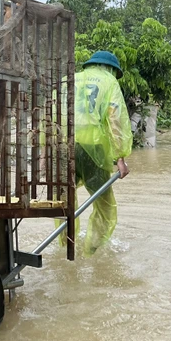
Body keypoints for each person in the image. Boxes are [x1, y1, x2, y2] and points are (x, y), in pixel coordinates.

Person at [62, 50, 132, 255]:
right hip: (92, 150)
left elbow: (51, 116)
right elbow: (115, 121)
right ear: (110, 69)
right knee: (105, 207)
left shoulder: (68, 81)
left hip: (63, 148)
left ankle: (67, 251)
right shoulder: (110, 82)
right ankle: (90, 252)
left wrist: (43, 155)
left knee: (65, 204)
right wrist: (120, 157)